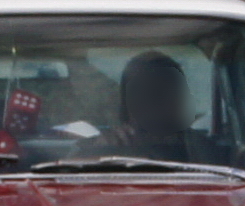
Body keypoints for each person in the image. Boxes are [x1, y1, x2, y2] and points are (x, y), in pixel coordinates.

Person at [77, 50, 221, 164]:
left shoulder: (203, 148)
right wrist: (102, 153)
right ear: (130, 103)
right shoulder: (103, 148)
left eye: (176, 93)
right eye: (156, 95)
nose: (169, 103)